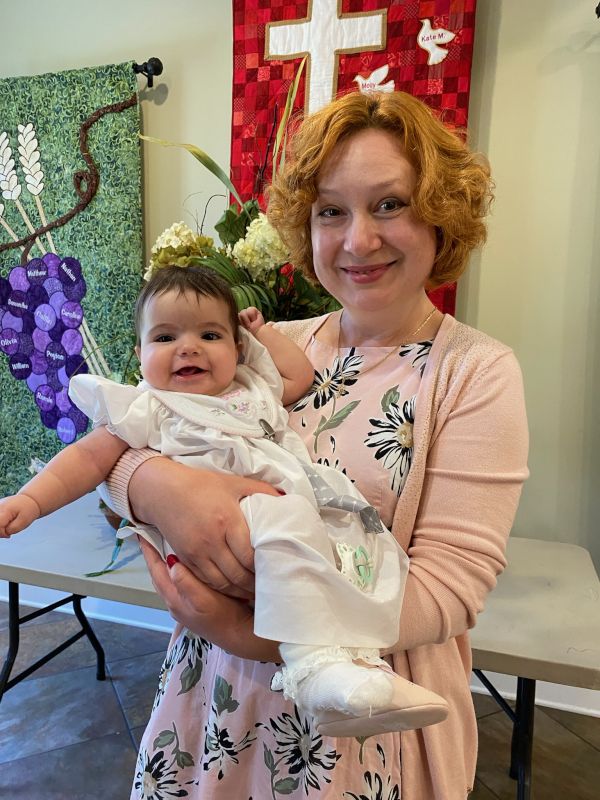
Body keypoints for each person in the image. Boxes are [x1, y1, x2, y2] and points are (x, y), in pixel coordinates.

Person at [100, 90, 528, 799]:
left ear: (440, 213)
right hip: (215, 701)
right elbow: (131, 432)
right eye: (331, 211)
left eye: (389, 204)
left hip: (363, 720)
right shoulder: (268, 349)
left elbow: (448, 590)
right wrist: (154, 486)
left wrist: (248, 633)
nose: (358, 240)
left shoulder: (474, 372)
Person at [0, 263, 449, 738]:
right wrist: (30, 501)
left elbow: (299, 376)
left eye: (210, 335)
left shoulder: (252, 389)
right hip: (240, 526)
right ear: (139, 354)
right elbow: (88, 459)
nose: (188, 347)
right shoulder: (148, 405)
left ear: (238, 349)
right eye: (165, 337)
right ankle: (314, 667)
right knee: (289, 528)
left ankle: (355, 673)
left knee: (350, 555)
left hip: (285, 516)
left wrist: (263, 334)